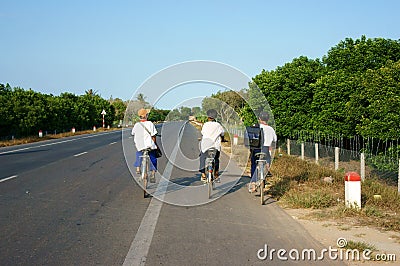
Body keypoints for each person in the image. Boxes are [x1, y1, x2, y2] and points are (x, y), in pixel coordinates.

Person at [249, 111, 277, 192]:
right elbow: (275, 140)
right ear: (267, 119)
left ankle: (253, 182)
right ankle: (267, 169)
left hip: (256, 149)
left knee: (254, 163)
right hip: (265, 149)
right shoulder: (271, 129)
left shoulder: (255, 127)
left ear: (259, 119)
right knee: (268, 159)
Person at [131, 108, 158, 183]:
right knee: (153, 156)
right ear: (146, 115)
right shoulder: (150, 123)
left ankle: (138, 167)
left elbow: (133, 133)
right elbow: (153, 134)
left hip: (140, 146)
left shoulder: (136, 125)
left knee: (139, 153)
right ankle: (153, 173)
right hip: (149, 145)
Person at [199, 109, 225, 182]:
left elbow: (203, 133)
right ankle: (216, 174)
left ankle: (203, 174)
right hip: (215, 146)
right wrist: (222, 139)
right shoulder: (218, 125)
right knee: (216, 159)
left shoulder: (205, 125)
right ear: (215, 116)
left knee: (202, 157)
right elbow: (222, 133)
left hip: (205, 146)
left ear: (208, 117)